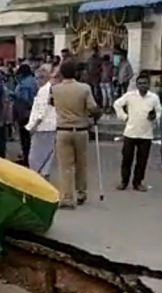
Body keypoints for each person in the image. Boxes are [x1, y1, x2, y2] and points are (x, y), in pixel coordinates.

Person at [51, 61, 100, 209]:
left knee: (65, 165)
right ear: (76, 73)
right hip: (80, 130)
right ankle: (81, 192)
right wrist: (94, 117)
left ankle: (66, 197)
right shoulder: (84, 88)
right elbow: (93, 108)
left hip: (63, 130)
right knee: (81, 163)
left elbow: (52, 104)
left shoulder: (55, 89)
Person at [113, 73, 162, 192]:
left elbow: (159, 111)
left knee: (142, 160)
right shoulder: (130, 95)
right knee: (127, 159)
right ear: (136, 85)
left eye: (144, 83)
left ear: (149, 84)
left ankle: (138, 182)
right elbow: (117, 104)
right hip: (130, 132)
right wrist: (124, 117)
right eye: (139, 83)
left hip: (146, 134)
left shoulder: (154, 97)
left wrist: (154, 117)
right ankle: (124, 181)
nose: (142, 86)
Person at [26, 64, 57, 178]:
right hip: (48, 126)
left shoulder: (44, 90)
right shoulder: (47, 89)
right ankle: (44, 174)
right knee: (46, 154)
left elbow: (42, 110)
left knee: (35, 156)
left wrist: (34, 125)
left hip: (43, 127)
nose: (36, 81)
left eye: (38, 78)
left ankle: (39, 176)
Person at [14, 64, 37, 165]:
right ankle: (29, 157)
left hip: (24, 113)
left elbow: (25, 99)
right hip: (32, 112)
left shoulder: (24, 84)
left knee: (25, 137)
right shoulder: (34, 81)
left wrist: (13, 95)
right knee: (30, 137)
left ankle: (27, 159)